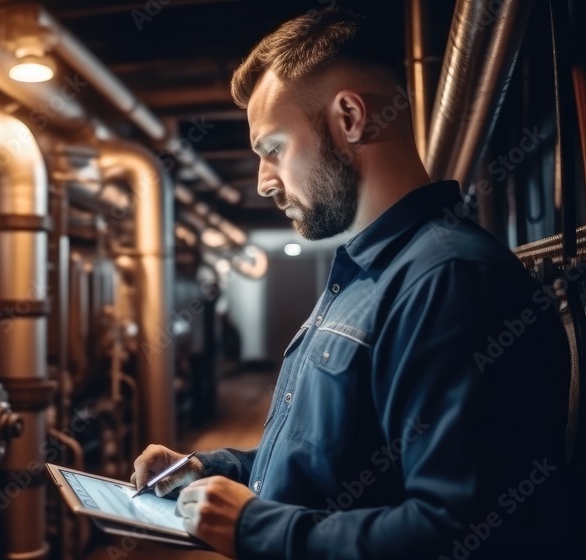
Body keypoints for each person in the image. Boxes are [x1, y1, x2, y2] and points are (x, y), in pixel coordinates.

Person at [131, 8, 582, 559]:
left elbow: (457, 531)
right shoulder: (363, 273)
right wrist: (212, 468)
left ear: (349, 117)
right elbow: (332, 464)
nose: (264, 181)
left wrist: (256, 528)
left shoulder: (450, 280)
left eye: (273, 149)